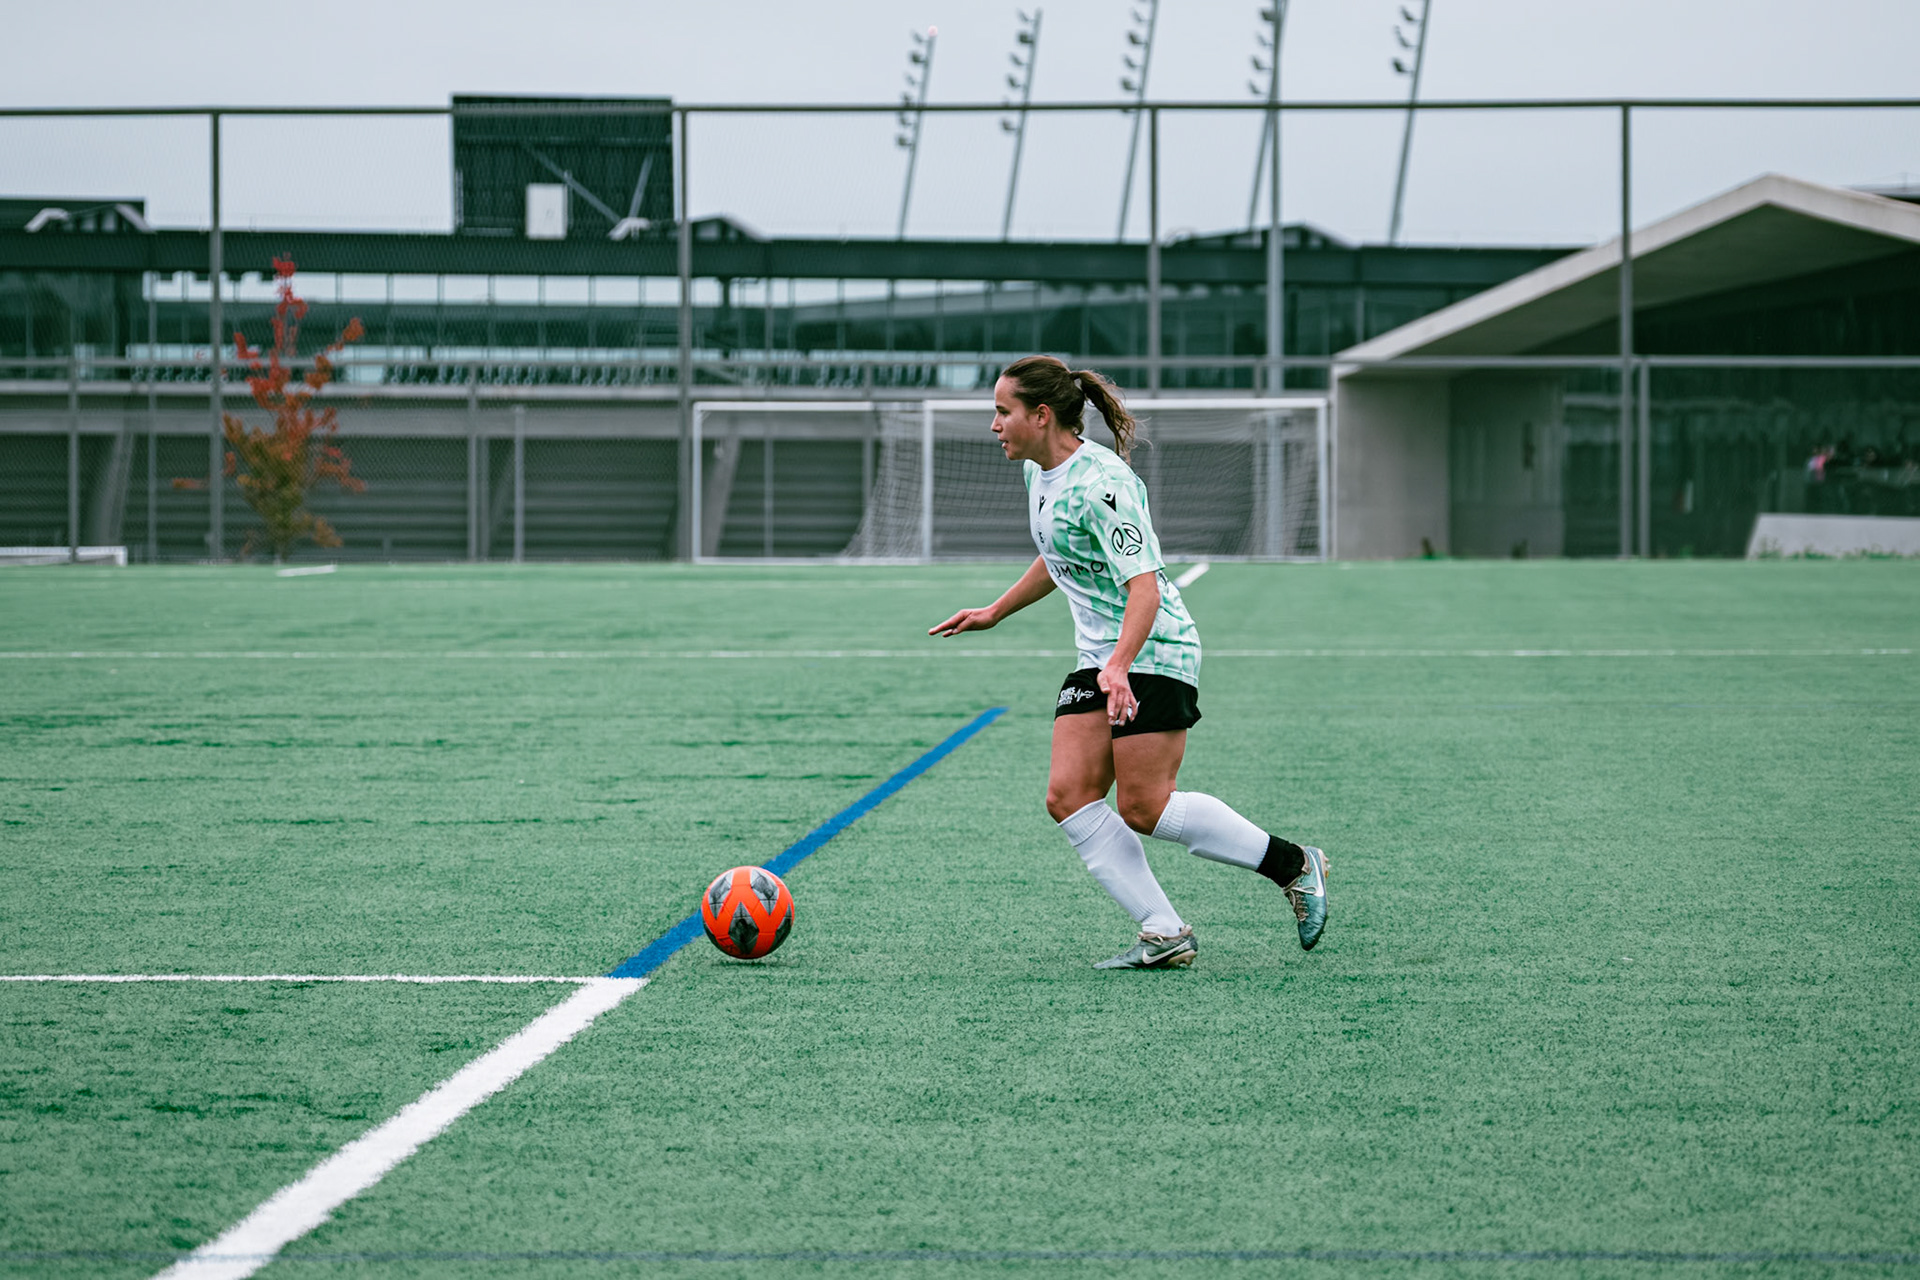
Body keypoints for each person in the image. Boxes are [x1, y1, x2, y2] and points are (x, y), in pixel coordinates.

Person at [929, 355, 1329, 969]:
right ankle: (1163, 930)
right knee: (1068, 796)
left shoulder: (1103, 484)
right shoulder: (1040, 475)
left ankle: (1294, 864)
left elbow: (1143, 585)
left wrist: (1118, 665)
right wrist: (995, 611)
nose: (994, 425)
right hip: (1104, 657)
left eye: (1002, 412)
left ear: (1041, 415)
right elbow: (1056, 555)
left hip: (1154, 648)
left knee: (1145, 807)